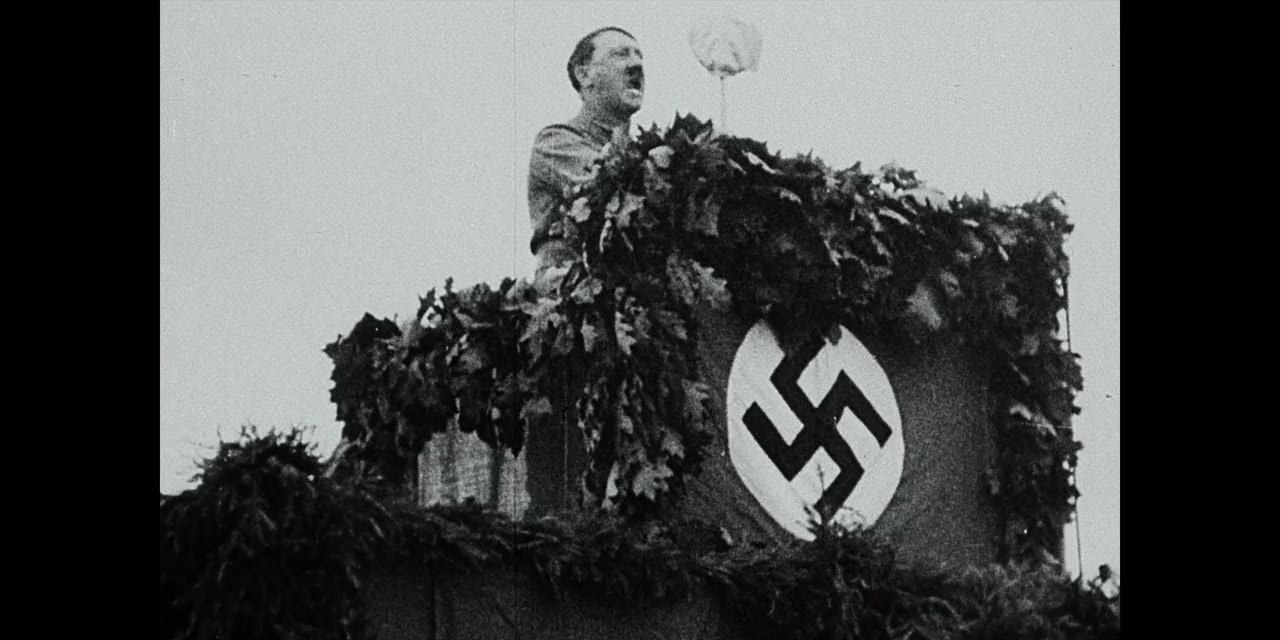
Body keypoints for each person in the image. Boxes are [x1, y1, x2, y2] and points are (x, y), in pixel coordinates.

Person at [528, 27, 645, 280]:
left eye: (639, 56)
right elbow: (609, 184)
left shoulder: (639, 152)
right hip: (567, 287)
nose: (636, 64)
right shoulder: (555, 142)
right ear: (584, 74)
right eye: (620, 54)